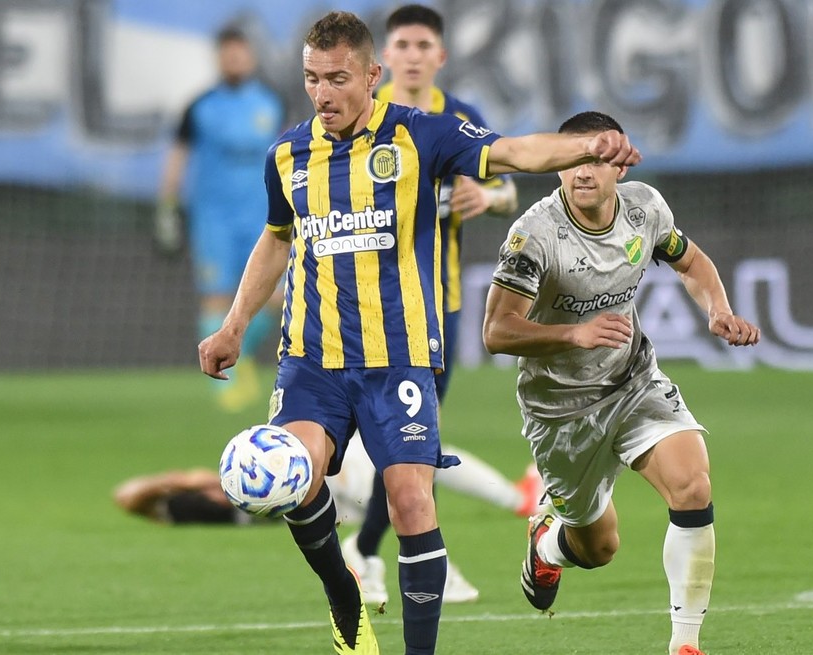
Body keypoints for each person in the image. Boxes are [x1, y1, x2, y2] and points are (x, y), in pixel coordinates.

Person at [197, 10, 639, 654]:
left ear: (370, 75)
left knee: (410, 504)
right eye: (312, 78)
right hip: (311, 357)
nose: (323, 93)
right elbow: (275, 239)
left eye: (338, 78)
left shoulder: (420, 134)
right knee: (296, 478)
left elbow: (513, 153)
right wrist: (234, 326)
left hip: (399, 358)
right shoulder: (286, 155)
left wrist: (589, 147)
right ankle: (342, 591)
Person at [482, 111, 759, 655]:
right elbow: (496, 331)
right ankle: (547, 547)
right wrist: (575, 333)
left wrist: (718, 309)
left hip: (632, 381)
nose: (582, 171)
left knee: (693, 485)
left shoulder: (645, 209)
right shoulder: (534, 234)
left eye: (594, 159)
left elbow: (691, 261)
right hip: (560, 410)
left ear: (619, 166)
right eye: (572, 159)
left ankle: (685, 642)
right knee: (599, 548)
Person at [341, 3, 526, 607]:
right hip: (371, 304)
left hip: (437, 304)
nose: (413, 55)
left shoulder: (460, 118)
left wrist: (488, 198)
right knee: (409, 438)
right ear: (383, 58)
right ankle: (384, 553)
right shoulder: (364, 116)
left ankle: (380, 552)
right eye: (403, 45)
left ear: (440, 56)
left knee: (417, 438)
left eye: (424, 45)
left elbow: (509, 184)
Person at [156, 24, 285, 413]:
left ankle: (236, 351)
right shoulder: (199, 107)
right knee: (216, 295)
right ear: (218, 58)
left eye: (240, 52)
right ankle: (222, 384)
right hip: (213, 219)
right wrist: (167, 206)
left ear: (251, 57)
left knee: (277, 295)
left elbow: (287, 154)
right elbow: (177, 158)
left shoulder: (270, 103)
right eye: (227, 53)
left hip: (263, 217)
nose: (234, 59)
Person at [113, 440, 537, 529]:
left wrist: (184, 481)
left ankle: (518, 497)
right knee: (414, 456)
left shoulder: (241, 485)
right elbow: (126, 496)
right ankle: (519, 498)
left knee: (420, 453)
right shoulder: (201, 509)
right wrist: (178, 481)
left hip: (331, 491)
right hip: (336, 502)